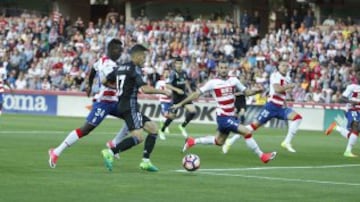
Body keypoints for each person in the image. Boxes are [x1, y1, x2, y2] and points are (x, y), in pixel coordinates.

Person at [172, 62, 277, 164]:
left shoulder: (234, 80)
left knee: (219, 141)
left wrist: (257, 91)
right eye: (221, 68)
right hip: (223, 117)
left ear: (228, 69)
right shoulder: (213, 83)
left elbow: (247, 93)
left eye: (225, 67)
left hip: (231, 116)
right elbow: (196, 94)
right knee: (247, 132)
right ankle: (262, 156)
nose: (223, 70)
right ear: (218, 69)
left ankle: (192, 141)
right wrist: (180, 104)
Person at [48, 38, 130, 168]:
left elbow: (93, 69)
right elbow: (108, 82)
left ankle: (114, 143)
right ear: (112, 50)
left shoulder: (102, 61)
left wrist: (90, 85)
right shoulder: (110, 66)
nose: (121, 53)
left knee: (132, 117)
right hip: (103, 102)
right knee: (85, 129)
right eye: (119, 50)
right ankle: (56, 151)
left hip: (113, 102)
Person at [101, 44, 171, 172]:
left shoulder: (120, 67)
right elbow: (144, 89)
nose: (144, 60)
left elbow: (104, 80)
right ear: (137, 56)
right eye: (144, 57)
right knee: (138, 137)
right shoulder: (134, 69)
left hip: (123, 104)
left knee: (153, 129)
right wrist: (163, 92)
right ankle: (110, 151)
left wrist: (116, 89)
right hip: (130, 106)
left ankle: (145, 161)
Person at [222, 61, 302, 154]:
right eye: (283, 65)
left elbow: (283, 93)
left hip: (280, 107)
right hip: (271, 107)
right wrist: (289, 86)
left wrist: (285, 103)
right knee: (252, 127)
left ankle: (287, 142)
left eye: (286, 66)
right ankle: (230, 141)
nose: (285, 67)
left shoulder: (287, 78)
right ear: (279, 67)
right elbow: (277, 89)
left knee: (297, 118)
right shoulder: (275, 75)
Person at [159, 57, 196, 138]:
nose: (179, 65)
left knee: (193, 111)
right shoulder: (172, 73)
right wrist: (177, 89)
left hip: (184, 96)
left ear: (182, 64)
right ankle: (162, 130)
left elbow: (186, 82)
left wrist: (190, 91)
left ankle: (182, 126)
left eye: (180, 64)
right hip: (176, 98)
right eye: (177, 64)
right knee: (172, 117)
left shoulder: (184, 72)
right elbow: (167, 85)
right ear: (175, 64)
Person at [325, 71, 360, 157]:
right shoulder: (352, 87)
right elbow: (342, 99)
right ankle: (348, 151)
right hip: (352, 109)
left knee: (353, 133)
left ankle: (336, 127)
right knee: (356, 126)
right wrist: (352, 102)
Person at [155, 69, 172, 140]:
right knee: (166, 114)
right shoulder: (160, 82)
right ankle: (163, 129)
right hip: (163, 100)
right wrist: (159, 97)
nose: (167, 74)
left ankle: (163, 123)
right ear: (163, 74)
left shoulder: (171, 81)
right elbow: (156, 90)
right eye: (165, 73)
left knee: (169, 115)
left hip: (170, 100)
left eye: (168, 72)